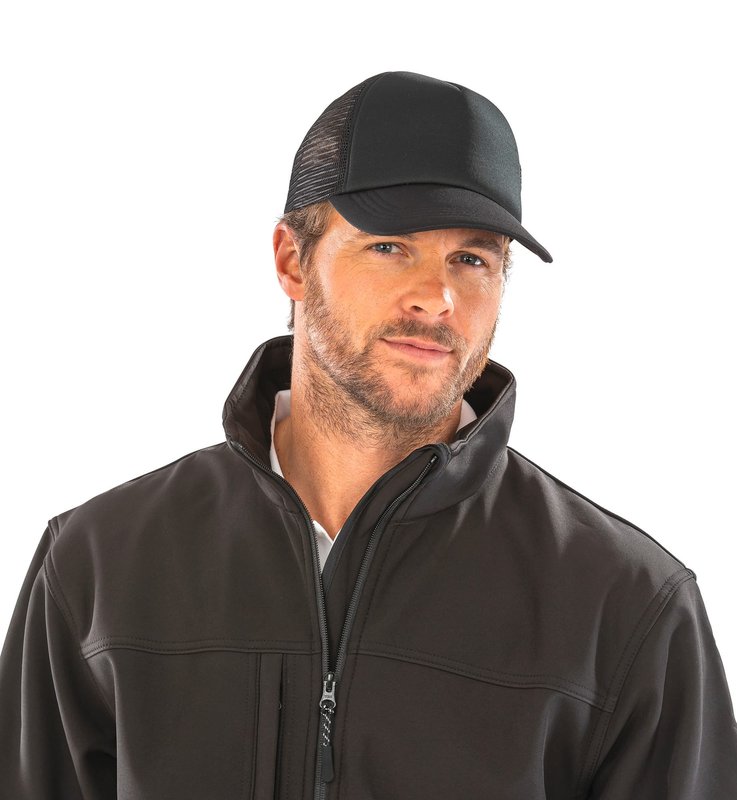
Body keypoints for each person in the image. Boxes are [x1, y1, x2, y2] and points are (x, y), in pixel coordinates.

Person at [1, 70, 735, 799]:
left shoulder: (625, 605)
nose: (437, 298)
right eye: (390, 246)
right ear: (293, 260)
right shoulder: (99, 564)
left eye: (471, 259)